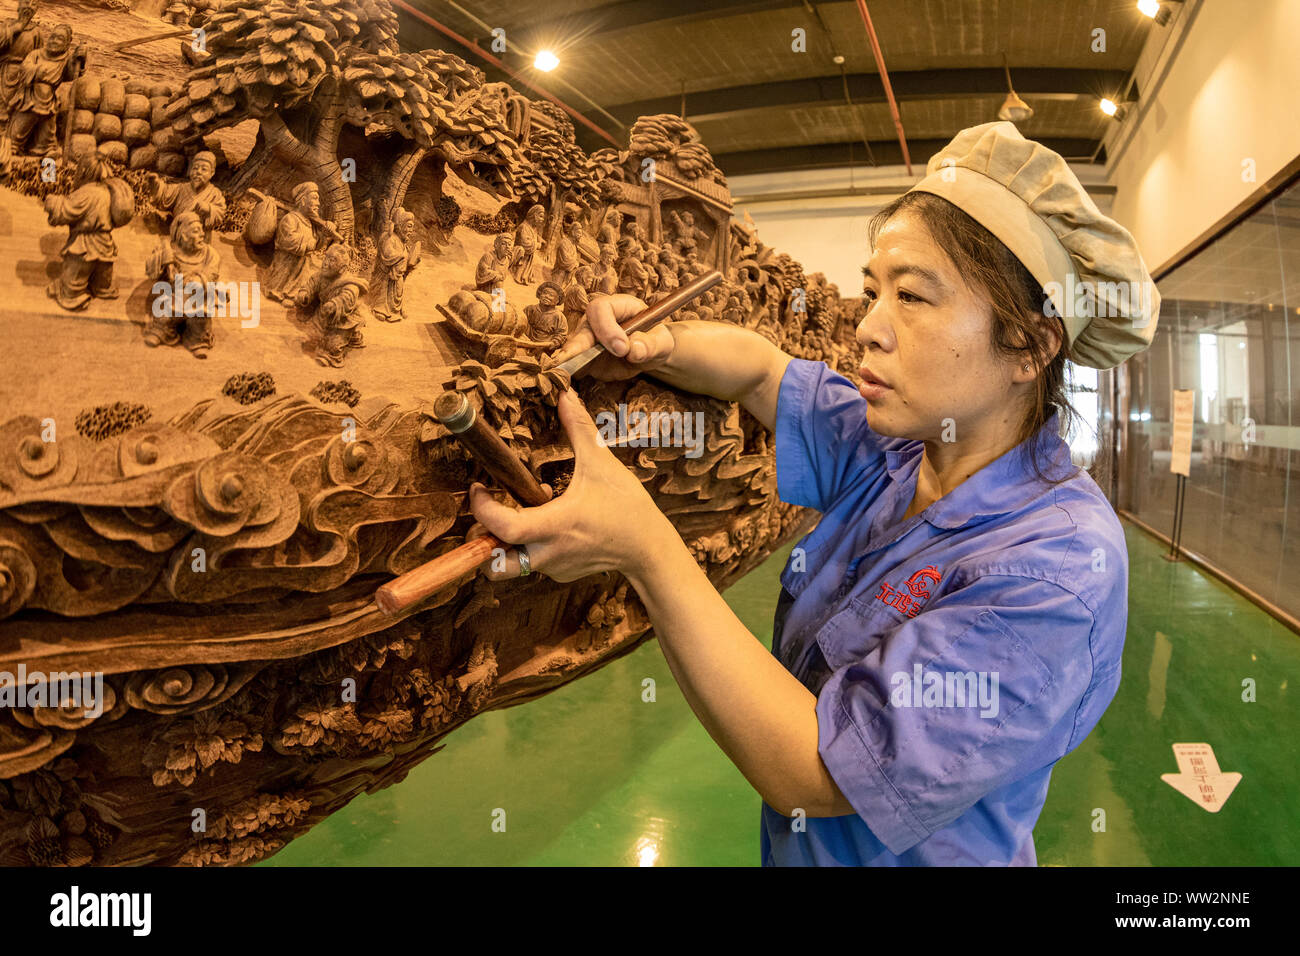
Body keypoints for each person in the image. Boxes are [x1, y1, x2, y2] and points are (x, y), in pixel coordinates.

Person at [465, 122, 1161, 866]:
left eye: (915, 298)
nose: (868, 328)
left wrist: (646, 552)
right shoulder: (897, 450)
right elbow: (764, 372)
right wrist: (658, 344)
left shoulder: (1056, 566)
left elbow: (817, 773)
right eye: (873, 293)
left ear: (1028, 346)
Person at [148, 150, 226, 238]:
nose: (198, 172)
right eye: (195, 168)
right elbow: (165, 193)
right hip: (178, 235)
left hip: (201, 238)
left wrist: (209, 209)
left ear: (212, 173)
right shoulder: (181, 188)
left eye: (204, 169)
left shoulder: (215, 193)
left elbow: (220, 212)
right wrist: (156, 185)